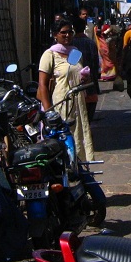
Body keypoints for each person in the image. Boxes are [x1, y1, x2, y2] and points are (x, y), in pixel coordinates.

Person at [37, 18, 94, 161]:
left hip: (77, 102)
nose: (67, 35)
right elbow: (42, 84)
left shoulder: (75, 53)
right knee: (62, 138)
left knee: (77, 136)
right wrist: (48, 111)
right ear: (55, 34)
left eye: (70, 32)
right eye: (63, 33)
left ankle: (78, 166)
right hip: (61, 102)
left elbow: (74, 72)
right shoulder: (49, 55)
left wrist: (85, 78)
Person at [72, 16, 101, 121]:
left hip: (74, 80)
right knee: (90, 104)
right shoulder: (90, 43)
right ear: (84, 27)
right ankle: (87, 125)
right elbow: (95, 63)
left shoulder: (71, 43)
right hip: (89, 80)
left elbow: (72, 63)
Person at [94, 16, 117, 82]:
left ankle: (109, 75)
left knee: (107, 60)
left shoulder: (99, 28)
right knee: (106, 60)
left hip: (104, 45)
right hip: (103, 45)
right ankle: (107, 75)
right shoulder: (105, 27)